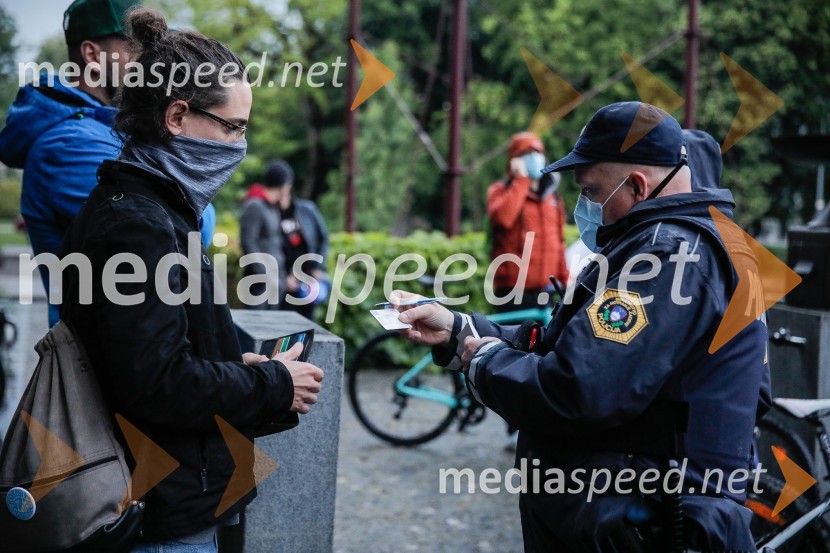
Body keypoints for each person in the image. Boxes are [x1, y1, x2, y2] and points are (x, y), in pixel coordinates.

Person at [394, 102, 769, 552]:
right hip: (646, 509)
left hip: (648, 520)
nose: (585, 206)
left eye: (591, 192)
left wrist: (484, 362)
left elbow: (578, 387)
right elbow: (572, 348)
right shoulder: (694, 241)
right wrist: (458, 330)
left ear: (636, 185)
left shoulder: (667, 254)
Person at [59, 8, 324, 552]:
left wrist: (236, 362)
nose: (240, 147)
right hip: (158, 509)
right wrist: (273, 385)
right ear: (177, 117)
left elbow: (160, 346)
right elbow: (156, 384)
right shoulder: (138, 225)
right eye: (233, 128)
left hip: (179, 490)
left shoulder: (158, 209)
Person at [0, 0, 137, 326]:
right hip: (103, 359)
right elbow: (172, 239)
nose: (149, 61)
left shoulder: (102, 129)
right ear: (92, 54)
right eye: (135, 47)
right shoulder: (71, 145)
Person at [487, 132, 569, 312]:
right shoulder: (500, 191)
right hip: (512, 294)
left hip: (547, 292)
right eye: (528, 153)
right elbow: (503, 219)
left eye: (538, 152)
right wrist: (521, 179)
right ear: (514, 160)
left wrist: (565, 281)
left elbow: (559, 242)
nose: (535, 157)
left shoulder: (552, 197)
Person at [240, 160, 329, 319]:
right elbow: (248, 243)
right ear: (285, 185)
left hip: (281, 281)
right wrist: (265, 273)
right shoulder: (256, 206)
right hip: (264, 281)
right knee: (257, 325)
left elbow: (278, 248)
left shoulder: (275, 208)